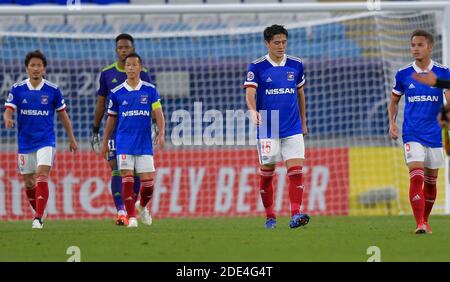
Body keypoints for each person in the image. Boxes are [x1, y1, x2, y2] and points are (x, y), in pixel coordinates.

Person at [243, 24, 310, 229]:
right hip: (268, 128)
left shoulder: (296, 65)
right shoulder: (257, 67)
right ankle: (270, 216)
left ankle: (295, 214)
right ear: (267, 43)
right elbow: (250, 94)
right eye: (276, 42)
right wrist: (253, 110)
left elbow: (300, 94)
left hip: (292, 127)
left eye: (284, 42)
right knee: (267, 174)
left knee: (296, 171)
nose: (281, 46)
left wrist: (304, 122)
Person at [3, 50, 77, 229]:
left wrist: (71, 138)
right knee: (29, 183)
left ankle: (37, 218)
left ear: (44, 69)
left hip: (46, 141)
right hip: (25, 142)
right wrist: (8, 118)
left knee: (41, 175)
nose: (36, 69)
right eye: (32, 65)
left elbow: (63, 116)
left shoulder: (53, 90)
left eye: (39, 66)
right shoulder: (18, 89)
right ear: (26, 68)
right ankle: (40, 210)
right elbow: (8, 110)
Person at [388, 29, 450, 234]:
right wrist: (392, 123)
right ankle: (419, 223)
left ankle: (425, 219)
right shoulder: (403, 73)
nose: (415, 49)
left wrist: (446, 115)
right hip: (412, 132)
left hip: (435, 134)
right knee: (416, 177)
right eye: (413, 45)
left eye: (420, 45)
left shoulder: (443, 72)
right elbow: (394, 100)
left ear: (430, 47)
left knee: (431, 181)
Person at [90, 33, 154, 226]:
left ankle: (132, 208)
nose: (123, 51)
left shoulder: (143, 73)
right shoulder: (107, 73)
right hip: (117, 130)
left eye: (127, 47)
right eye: (120, 48)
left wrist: (156, 128)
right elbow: (101, 103)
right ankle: (122, 212)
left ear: (132, 49)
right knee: (117, 169)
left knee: (134, 173)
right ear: (116, 50)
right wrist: (95, 129)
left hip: (138, 131)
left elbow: (152, 102)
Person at [101, 53, 165, 228]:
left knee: (148, 184)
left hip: (144, 143)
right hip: (124, 142)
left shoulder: (150, 90)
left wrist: (161, 133)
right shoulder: (116, 93)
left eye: (133, 65)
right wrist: (105, 140)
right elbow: (111, 120)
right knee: (127, 177)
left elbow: (158, 113)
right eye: (127, 65)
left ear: (140, 67)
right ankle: (132, 217)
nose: (130, 68)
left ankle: (142, 207)